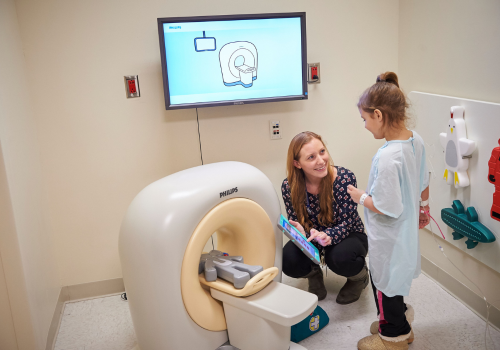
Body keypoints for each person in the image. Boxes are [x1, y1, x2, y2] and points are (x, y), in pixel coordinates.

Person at [347, 72, 430, 350]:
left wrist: (361, 197)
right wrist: (424, 208)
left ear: (379, 115)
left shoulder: (387, 156)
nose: (365, 126)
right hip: (406, 234)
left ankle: (392, 336)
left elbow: (385, 207)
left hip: (389, 236)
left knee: (383, 283)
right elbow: (424, 180)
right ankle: (397, 322)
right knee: (397, 280)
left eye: (365, 119)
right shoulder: (415, 140)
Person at [281, 131, 368, 304]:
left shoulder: (345, 178)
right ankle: (314, 274)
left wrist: (328, 236)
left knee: (339, 257)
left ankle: (359, 278)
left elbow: (347, 222)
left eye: (322, 152)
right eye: (311, 157)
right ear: (297, 164)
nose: (321, 161)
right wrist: (299, 234)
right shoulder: (289, 186)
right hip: (312, 236)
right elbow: (295, 220)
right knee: (288, 260)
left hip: (348, 234)